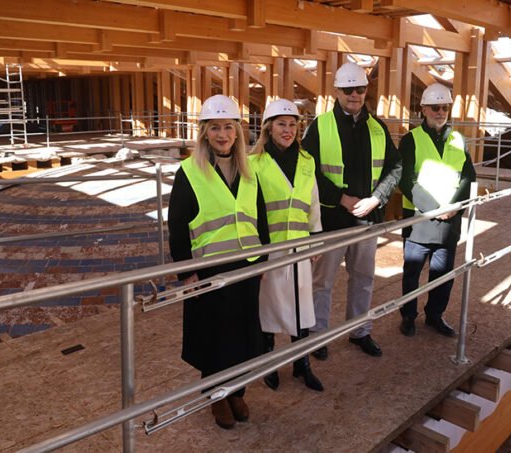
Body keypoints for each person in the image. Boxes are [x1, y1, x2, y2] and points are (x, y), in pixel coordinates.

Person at [167, 94, 268, 430]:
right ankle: (216, 396)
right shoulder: (189, 172)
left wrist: (263, 260)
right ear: (204, 133)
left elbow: (260, 217)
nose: (223, 134)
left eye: (228, 127)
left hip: (247, 264)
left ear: (238, 132)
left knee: (244, 334)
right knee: (215, 337)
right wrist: (186, 274)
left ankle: (237, 390)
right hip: (211, 268)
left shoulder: (248, 169)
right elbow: (178, 226)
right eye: (215, 128)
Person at [301, 61, 401, 360]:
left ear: (366, 90)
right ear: (337, 91)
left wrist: (377, 199)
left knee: (363, 277)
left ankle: (360, 331)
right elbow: (308, 171)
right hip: (332, 220)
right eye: (348, 90)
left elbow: (395, 168)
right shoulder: (320, 126)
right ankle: (318, 335)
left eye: (359, 89)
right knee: (323, 282)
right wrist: (340, 198)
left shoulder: (378, 128)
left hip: (367, 219)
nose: (354, 95)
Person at [250, 99, 324, 392]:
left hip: (300, 247)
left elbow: (313, 203)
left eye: (293, 124)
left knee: (301, 306)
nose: (288, 130)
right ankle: (269, 362)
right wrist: (256, 254)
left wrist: (316, 238)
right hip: (270, 249)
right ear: (268, 127)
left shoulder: (306, 161)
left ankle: (301, 363)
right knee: (269, 308)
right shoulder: (254, 163)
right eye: (281, 123)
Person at [398, 83, 476, 337]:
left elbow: (468, 177)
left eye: (445, 107)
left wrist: (454, 207)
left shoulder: (458, 139)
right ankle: (408, 316)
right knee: (412, 273)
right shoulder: (411, 140)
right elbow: (405, 180)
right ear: (423, 109)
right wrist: (434, 209)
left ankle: (435, 315)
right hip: (420, 220)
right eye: (435, 107)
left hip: (448, 221)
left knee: (443, 275)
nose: (441, 112)